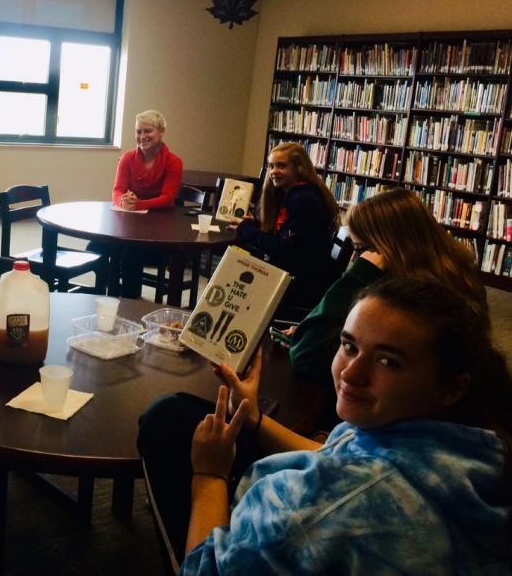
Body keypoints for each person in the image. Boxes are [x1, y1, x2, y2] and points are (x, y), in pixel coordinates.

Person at [142, 278, 511, 575]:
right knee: (177, 414)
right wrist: (253, 418)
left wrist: (209, 475)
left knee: (164, 424)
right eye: (349, 346)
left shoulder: (318, 511)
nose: (351, 373)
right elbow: (335, 454)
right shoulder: (472, 444)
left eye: (387, 361)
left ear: (451, 386)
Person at [276, 187, 488, 430]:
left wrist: (359, 275)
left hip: (373, 423)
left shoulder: (410, 302)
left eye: (358, 250)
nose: (354, 261)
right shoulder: (451, 275)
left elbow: (306, 355)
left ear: (385, 249)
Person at [230, 142, 340, 308]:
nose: (274, 172)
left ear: (299, 168)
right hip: (300, 274)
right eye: (271, 166)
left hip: (302, 286)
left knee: (234, 282)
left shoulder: (304, 201)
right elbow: (288, 237)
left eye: (281, 166)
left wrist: (247, 230)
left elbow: (283, 250)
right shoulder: (296, 194)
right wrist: (257, 225)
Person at [108, 109, 183, 298]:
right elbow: (117, 190)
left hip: (158, 231)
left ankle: (128, 304)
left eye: (147, 131)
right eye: (138, 132)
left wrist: (139, 204)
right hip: (129, 225)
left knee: (130, 254)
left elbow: (167, 197)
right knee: (98, 246)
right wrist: (124, 202)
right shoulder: (127, 158)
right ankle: (109, 297)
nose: (142, 136)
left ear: (161, 132)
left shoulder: (174, 162)